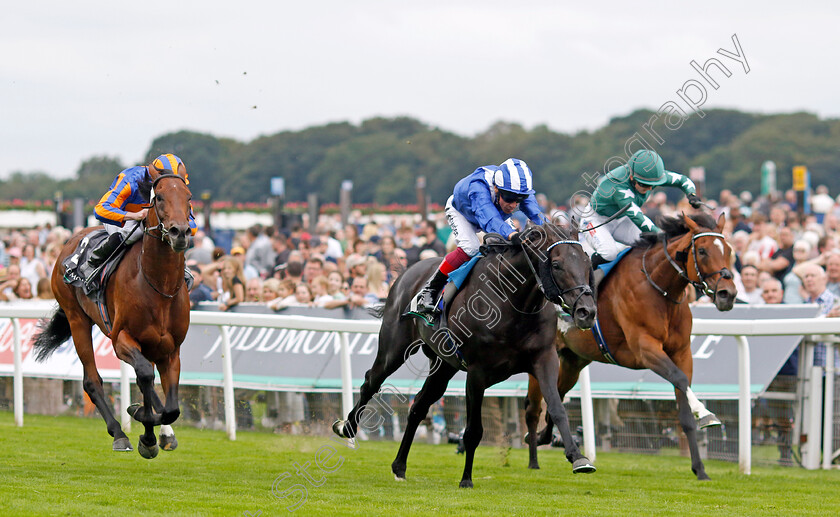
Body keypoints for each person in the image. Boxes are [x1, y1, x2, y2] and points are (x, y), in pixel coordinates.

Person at [414, 158, 543, 316]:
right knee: (471, 248)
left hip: (493, 213)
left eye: (519, 200)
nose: (513, 205)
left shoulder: (515, 188)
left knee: (511, 247)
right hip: (462, 212)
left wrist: (549, 230)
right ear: (496, 188)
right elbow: (489, 219)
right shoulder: (478, 188)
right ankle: (430, 290)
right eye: (509, 198)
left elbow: (536, 214)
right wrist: (512, 235)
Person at [81, 154, 196, 280]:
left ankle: (182, 269)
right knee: (134, 232)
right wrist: (134, 216)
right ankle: (93, 263)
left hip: (153, 221)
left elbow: (193, 228)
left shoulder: (177, 189)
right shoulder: (131, 179)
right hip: (122, 218)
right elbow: (100, 210)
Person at [580, 149, 702, 267]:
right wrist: (661, 233)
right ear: (632, 177)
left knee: (651, 245)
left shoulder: (650, 175)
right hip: (595, 220)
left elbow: (682, 180)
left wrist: (691, 195)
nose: (649, 189)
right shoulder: (618, 186)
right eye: (645, 185)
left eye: (654, 186)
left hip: (621, 220)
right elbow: (637, 216)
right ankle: (583, 273)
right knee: (609, 253)